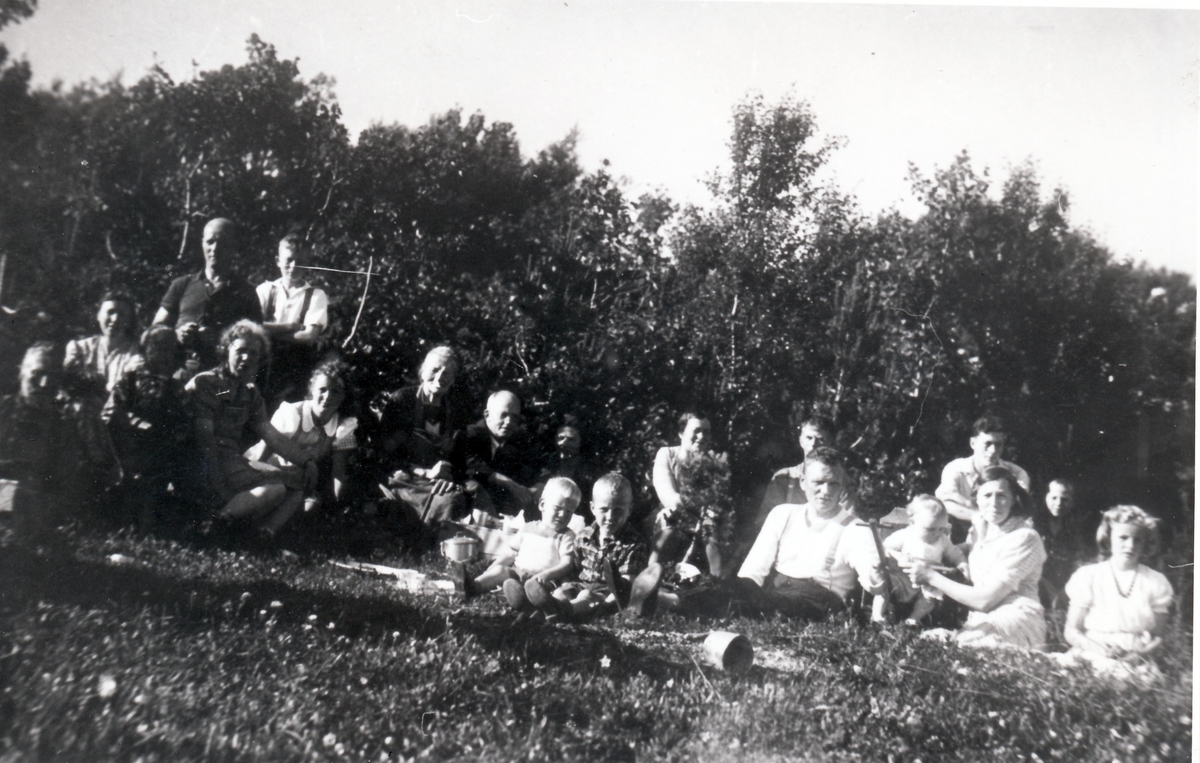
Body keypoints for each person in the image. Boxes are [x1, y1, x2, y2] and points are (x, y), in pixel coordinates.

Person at [185, 320, 326, 541]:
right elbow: (204, 439)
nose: (246, 358)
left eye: (253, 353)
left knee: (297, 484)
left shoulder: (249, 393)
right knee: (276, 489)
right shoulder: (206, 383)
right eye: (240, 351)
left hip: (232, 461)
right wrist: (219, 481)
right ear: (226, 349)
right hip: (203, 461)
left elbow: (269, 433)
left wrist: (306, 461)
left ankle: (261, 536)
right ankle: (214, 524)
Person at [731, 447, 887, 621]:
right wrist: (743, 591)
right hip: (774, 596)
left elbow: (874, 583)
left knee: (761, 603)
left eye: (833, 483)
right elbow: (752, 571)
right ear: (803, 482)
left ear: (842, 485)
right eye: (818, 482)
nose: (826, 491)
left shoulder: (856, 529)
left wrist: (876, 570)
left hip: (818, 605)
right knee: (726, 591)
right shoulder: (782, 514)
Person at [904, 466, 1047, 650]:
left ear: (1013, 500)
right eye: (987, 496)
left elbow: (984, 600)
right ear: (976, 499)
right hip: (982, 618)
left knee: (969, 646)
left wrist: (931, 576)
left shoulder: (1025, 537)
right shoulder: (980, 526)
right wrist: (924, 552)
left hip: (1017, 616)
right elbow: (964, 550)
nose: (994, 503)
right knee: (954, 646)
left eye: (1002, 496)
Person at [623, 413, 730, 618]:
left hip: (702, 520)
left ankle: (718, 591)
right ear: (681, 433)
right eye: (696, 431)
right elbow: (667, 494)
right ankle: (647, 586)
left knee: (712, 530)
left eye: (706, 432)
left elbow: (719, 499)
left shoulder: (714, 462)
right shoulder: (667, 455)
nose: (702, 437)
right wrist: (693, 508)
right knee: (668, 526)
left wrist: (708, 511)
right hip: (672, 515)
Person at [372, 347, 473, 545]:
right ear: (422, 371)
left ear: (453, 380)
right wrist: (424, 472)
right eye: (435, 370)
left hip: (438, 483)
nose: (440, 377)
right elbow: (384, 453)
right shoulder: (402, 400)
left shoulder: (456, 410)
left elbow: (460, 458)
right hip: (404, 478)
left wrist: (448, 473)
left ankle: (430, 542)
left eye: (447, 373)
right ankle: (421, 539)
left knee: (453, 498)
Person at [1060, 505, 1173, 679]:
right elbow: (1071, 631)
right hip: (1092, 652)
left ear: (1146, 542)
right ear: (1109, 538)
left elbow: (1158, 636)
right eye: (1123, 538)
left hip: (1135, 658)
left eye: (1138, 540)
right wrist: (1100, 649)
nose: (1130, 545)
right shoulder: (1089, 576)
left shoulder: (1155, 582)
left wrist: (1140, 655)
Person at [102, 326, 190, 531]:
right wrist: (134, 425)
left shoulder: (175, 388)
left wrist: (172, 435)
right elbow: (110, 412)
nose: (163, 354)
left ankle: (145, 526)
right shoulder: (130, 380)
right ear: (145, 350)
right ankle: (120, 521)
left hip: (158, 452)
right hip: (124, 445)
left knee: (153, 483)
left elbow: (184, 423)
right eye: (156, 347)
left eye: (169, 349)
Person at [528, 473, 648, 622]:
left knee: (585, 597)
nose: (610, 517)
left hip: (606, 594)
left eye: (618, 511)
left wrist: (606, 605)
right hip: (580, 585)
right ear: (592, 508)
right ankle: (538, 612)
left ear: (629, 510)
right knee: (560, 592)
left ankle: (562, 611)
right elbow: (574, 569)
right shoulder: (584, 537)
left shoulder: (634, 543)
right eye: (604, 509)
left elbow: (626, 584)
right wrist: (565, 586)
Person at [248, 360, 357, 520]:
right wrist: (250, 478)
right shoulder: (293, 413)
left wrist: (337, 504)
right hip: (267, 469)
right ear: (312, 390)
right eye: (322, 390)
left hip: (298, 482)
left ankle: (271, 528)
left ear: (344, 396)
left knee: (309, 508)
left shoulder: (342, 426)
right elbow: (265, 449)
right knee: (265, 497)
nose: (327, 397)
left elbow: (338, 473)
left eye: (335, 392)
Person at [454, 476, 580, 611]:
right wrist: (491, 569)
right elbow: (510, 554)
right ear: (542, 505)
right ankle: (473, 587)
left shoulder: (566, 535)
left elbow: (567, 564)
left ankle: (526, 601)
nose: (562, 515)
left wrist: (547, 575)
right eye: (558, 508)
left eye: (569, 512)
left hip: (543, 581)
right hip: (518, 574)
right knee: (500, 571)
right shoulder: (527, 528)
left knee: (544, 592)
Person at [153, 218, 263, 372]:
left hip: (220, 378)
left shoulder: (246, 292)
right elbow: (155, 329)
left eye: (223, 243)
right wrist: (176, 335)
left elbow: (256, 343)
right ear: (202, 243)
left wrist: (220, 339)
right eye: (210, 242)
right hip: (176, 372)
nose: (215, 248)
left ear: (234, 247)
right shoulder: (182, 285)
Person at [0, 343, 75, 532]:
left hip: (31, 508)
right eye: (36, 374)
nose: (43, 384)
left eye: (51, 377)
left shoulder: (62, 425)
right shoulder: (3, 410)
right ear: (22, 372)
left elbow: (64, 484)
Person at [871, 494, 967, 626]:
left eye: (941, 529)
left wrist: (962, 563)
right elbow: (885, 548)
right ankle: (877, 616)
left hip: (926, 580)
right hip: (902, 577)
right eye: (930, 529)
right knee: (884, 588)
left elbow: (955, 553)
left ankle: (913, 619)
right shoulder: (905, 535)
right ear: (912, 523)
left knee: (929, 598)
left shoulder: (942, 540)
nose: (936, 533)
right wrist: (900, 557)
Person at [256, 234, 330, 404]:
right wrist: (291, 326)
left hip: (295, 371)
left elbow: (308, 336)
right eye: (289, 260)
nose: (294, 266)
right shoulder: (265, 290)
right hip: (262, 367)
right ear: (278, 260)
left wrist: (270, 332)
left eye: (301, 261)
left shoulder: (316, 295)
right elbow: (254, 326)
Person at [935, 415, 1031, 542]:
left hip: (1001, 533)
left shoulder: (1016, 474)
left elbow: (1019, 510)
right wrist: (979, 517)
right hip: (959, 531)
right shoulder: (955, 469)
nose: (993, 451)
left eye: (998, 445)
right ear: (973, 443)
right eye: (988, 444)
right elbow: (945, 504)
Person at [463, 391, 538, 518]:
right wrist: (505, 481)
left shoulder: (517, 441)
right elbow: (469, 462)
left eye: (515, 418)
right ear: (487, 415)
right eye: (503, 415)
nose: (509, 422)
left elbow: (532, 467)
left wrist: (538, 486)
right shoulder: (470, 435)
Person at [63, 292, 144, 400]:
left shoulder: (136, 352)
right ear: (98, 315)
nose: (115, 319)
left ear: (129, 320)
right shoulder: (80, 348)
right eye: (110, 312)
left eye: (122, 314)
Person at [1035, 479, 1091, 610]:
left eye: (1065, 499)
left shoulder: (1076, 527)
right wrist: (1050, 590)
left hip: (1065, 585)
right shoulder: (1034, 525)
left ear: (1072, 502)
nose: (1059, 503)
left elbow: (1079, 563)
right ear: (1046, 498)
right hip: (1038, 583)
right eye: (1054, 498)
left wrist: (1065, 591)